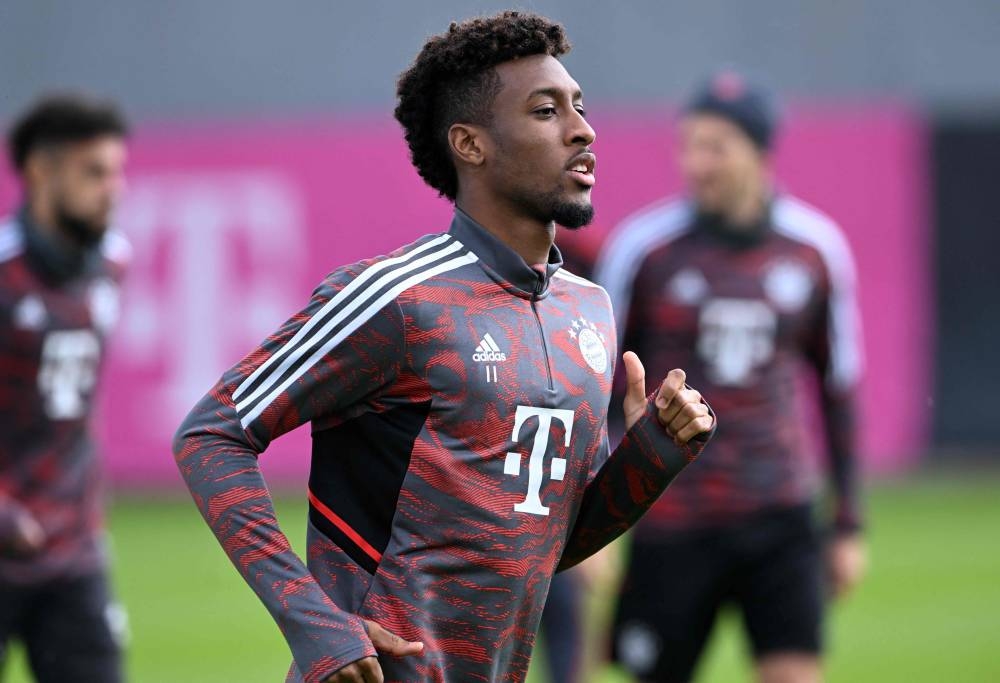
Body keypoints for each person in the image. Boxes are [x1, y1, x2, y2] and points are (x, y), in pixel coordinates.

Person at [173, 11, 715, 683]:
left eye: (580, 106)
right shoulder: (397, 298)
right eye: (546, 111)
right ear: (471, 144)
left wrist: (650, 457)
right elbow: (211, 432)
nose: (583, 130)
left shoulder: (591, 311)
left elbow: (540, 544)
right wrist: (315, 621)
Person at [596, 71, 866, 683]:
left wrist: (848, 522)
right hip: (670, 515)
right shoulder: (645, 248)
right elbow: (596, 385)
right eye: (688, 144)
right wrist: (596, 514)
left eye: (715, 146)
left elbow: (839, 388)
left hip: (779, 513)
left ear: (760, 152)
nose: (696, 163)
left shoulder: (814, 248)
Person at [0, 94, 130, 682]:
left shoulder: (111, 264)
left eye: (117, 171)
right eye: (94, 172)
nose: (114, 188)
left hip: (73, 549)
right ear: (40, 171)